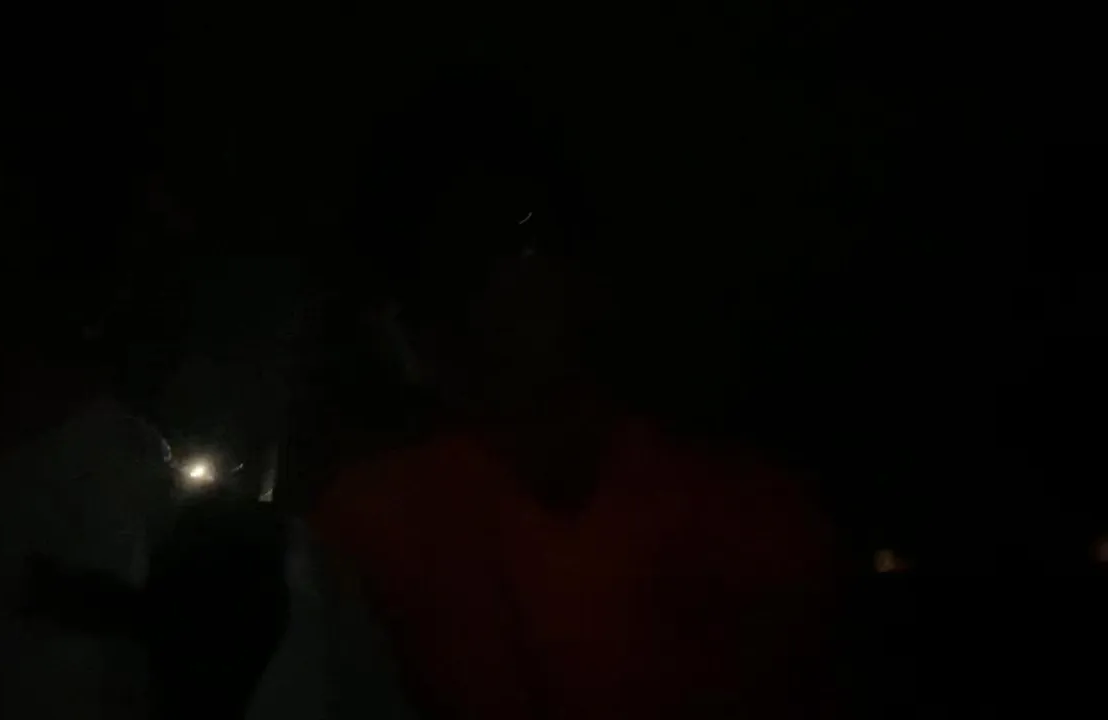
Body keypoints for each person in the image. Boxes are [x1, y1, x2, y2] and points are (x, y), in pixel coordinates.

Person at [307, 168, 839, 720]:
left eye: (527, 247)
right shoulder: (376, 519)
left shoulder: (749, 515)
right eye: (456, 268)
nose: (503, 288)